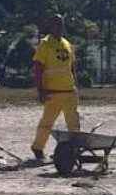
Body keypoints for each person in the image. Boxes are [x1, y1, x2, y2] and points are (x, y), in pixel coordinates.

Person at [31, 14, 81, 161]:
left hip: (69, 91)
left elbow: (72, 67)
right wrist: (40, 89)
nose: (59, 27)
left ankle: (75, 148)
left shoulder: (67, 44)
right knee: (47, 122)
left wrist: (75, 84)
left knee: (73, 122)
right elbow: (38, 68)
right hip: (52, 92)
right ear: (50, 26)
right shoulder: (45, 44)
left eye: (61, 24)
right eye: (56, 24)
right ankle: (38, 147)